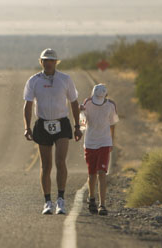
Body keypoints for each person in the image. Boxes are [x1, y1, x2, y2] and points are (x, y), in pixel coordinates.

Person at [23, 48, 82, 215]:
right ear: (41, 62)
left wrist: (78, 126)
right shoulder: (33, 81)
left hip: (61, 123)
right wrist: (27, 127)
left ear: (56, 62)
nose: (48, 63)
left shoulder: (65, 79)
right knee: (46, 165)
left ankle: (61, 200)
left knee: (60, 161)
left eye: (51, 60)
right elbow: (27, 105)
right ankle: (48, 201)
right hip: (42, 124)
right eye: (45, 60)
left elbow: (74, 102)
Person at [79, 83, 118, 216]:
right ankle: (92, 198)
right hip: (90, 142)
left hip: (104, 142)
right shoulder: (87, 103)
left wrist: (111, 141)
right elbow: (83, 121)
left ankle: (102, 204)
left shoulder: (111, 105)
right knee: (92, 173)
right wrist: (80, 115)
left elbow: (112, 124)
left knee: (102, 173)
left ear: (105, 96)